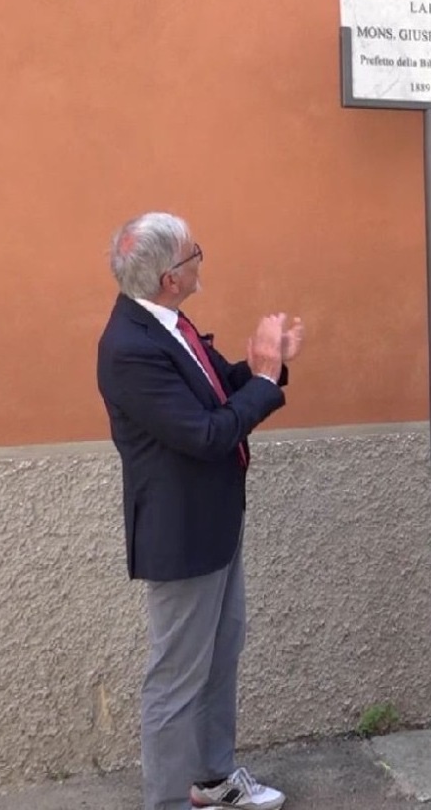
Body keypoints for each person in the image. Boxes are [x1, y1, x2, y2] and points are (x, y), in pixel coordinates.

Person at [97, 212, 303, 810]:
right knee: (175, 680)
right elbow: (207, 434)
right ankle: (164, 802)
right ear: (169, 277)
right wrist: (263, 381)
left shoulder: (165, 323)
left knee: (219, 655)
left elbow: (217, 391)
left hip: (214, 524)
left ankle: (214, 780)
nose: (199, 262)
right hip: (182, 534)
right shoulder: (131, 349)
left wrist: (269, 363)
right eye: (193, 256)